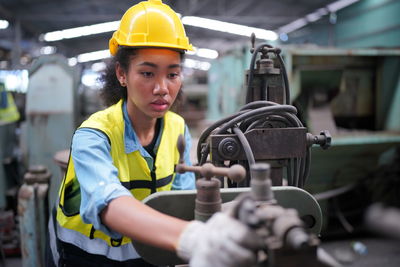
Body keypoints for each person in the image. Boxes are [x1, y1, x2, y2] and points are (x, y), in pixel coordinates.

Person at [47, 0, 260, 266]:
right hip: (88, 257)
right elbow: (108, 203)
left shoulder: (176, 127)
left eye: (172, 74)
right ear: (122, 74)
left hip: (152, 254)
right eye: (147, 73)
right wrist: (193, 238)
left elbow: (183, 200)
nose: (162, 88)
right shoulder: (93, 134)